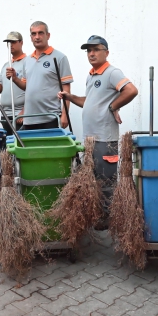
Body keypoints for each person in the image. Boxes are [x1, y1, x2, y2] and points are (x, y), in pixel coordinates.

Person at [58, 35, 138, 229]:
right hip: (91, 139)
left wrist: (113, 106)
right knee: (94, 179)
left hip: (105, 139)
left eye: (96, 49)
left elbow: (131, 91)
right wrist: (70, 96)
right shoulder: (91, 75)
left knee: (106, 181)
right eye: (88, 50)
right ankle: (99, 213)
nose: (91, 53)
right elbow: (89, 102)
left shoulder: (112, 72)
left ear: (106, 52)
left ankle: (109, 218)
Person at [22, 21, 73, 130]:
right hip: (29, 118)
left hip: (50, 118)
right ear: (30, 37)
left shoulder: (60, 57)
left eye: (41, 33)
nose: (37, 37)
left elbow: (66, 88)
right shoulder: (27, 60)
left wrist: (65, 115)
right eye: (34, 34)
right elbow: (27, 88)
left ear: (48, 35)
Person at [0, 31, 27, 134]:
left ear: (21, 42)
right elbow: (0, 88)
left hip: (20, 114)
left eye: (13, 42)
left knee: (19, 144)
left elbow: (31, 89)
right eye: (8, 42)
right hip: (5, 114)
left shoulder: (27, 62)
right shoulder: (6, 65)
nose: (10, 45)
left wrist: (25, 111)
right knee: (8, 145)